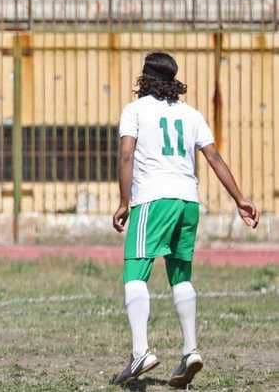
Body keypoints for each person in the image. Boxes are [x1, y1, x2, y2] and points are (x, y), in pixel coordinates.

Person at [110, 52, 259, 387]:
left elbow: (126, 153)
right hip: (188, 201)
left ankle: (140, 352)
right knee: (181, 276)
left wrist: (124, 202)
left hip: (153, 198)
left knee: (136, 270)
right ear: (174, 80)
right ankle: (191, 350)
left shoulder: (134, 111)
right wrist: (240, 199)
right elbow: (214, 156)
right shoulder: (191, 114)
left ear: (144, 78)